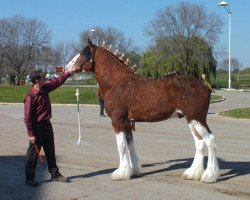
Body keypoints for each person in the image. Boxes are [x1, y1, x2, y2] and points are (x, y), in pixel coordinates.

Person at [24, 66, 79, 186]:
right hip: (37, 128)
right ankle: (30, 178)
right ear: (37, 80)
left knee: (50, 151)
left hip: (47, 125)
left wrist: (70, 72)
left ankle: (55, 174)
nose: (46, 79)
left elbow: (57, 81)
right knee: (33, 155)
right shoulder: (31, 97)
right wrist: (31, 134)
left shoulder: (44, 89)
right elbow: (27, 118)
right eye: (43, 78)